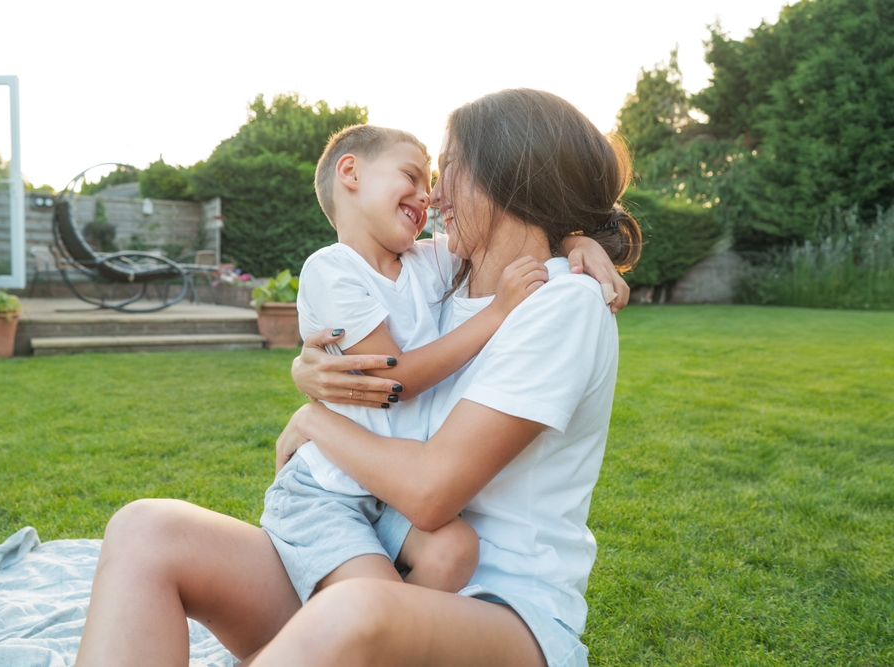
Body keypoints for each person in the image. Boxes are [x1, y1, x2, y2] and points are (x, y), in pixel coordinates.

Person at [75, 88, 638, 667]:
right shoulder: (441, 272)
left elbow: (430, 492)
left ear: (508, 178)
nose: (435, 195)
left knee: (354, 608)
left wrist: (313, 420)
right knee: (147, 530)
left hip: (499, 611)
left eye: (451, 171)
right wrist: (309, 369)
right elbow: (387, 344)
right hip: (381, 555)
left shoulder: (563, 303)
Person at [262, 123, 548, 602]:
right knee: (373, 602)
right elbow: (394, 378)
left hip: (388, 489)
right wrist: (498, 312)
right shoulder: (331, 269)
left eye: (431, 183)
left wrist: (584, 245)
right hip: (327, 490)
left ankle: (350, 637)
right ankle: (343, 633)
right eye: (412, 176)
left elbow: (514, 240)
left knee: (455, 550)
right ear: (349, 172)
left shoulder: (425, 261)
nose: (429, 196)